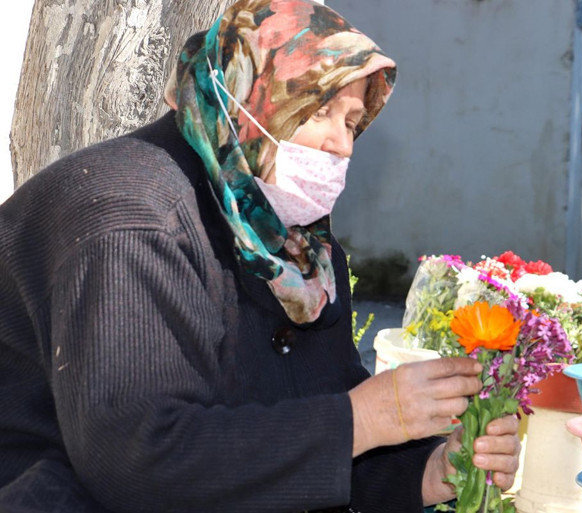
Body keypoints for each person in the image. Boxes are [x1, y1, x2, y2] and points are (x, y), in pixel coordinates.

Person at [0, 1, 521, 511]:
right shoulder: (131, 220)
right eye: (320, 110)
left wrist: (426, 471)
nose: (344, 145)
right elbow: (138, 459)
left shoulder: (292, 248)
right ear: (251, 97)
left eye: (353, 120)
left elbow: (298, 426)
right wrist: (367, 418)